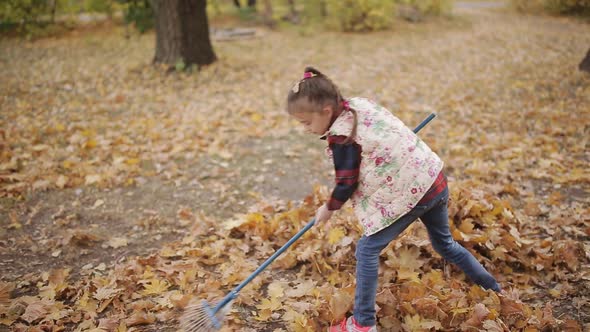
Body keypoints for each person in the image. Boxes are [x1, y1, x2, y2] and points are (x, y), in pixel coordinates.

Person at [286, 67, 502, 332]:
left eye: (306, 123)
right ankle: (492, 287)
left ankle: (363, 324)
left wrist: (329, 207)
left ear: (326, 112)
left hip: (409, 195)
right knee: (445, 244)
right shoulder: (358, 105)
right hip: (431, 178)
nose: (306, 129)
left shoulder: (342, 137)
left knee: (366, 249)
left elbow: (346, 182)